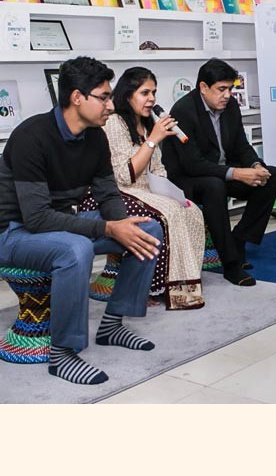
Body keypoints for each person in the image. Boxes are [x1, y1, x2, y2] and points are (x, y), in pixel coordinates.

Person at [0, 57, 162, 385]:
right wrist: (107, 228)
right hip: (13, 232)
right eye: (103, 97)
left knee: (149, 228)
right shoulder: (31, 137)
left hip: (58, 225)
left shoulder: (95, 136)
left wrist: (123, 226)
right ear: (77, 97)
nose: (111, 105)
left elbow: (107, 195)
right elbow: (37, 218)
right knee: (75, 250)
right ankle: (62, 354)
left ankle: (112, 326)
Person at [162, 58, 276, 288]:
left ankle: (239, 240)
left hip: (221, 173)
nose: (227, 95)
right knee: (213, 186)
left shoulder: (230, 106)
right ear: (203, 88)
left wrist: (256, 165)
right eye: (221, 89)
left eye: (230, 89)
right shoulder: (184, 111)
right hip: (187, 179)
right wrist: (236, 173)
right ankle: (231, 264)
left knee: (272, 176)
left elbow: (241, 145)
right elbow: (192, 164)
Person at [102, 67, 205, 309]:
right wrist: (153, 139)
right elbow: (125, 175)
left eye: (154, 93)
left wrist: (172, 193)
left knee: (190, 211)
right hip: (120, 190)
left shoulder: (148, 125)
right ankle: (154, 286)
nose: (151, 99)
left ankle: (182, 284)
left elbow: (158, 170)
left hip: (148, 189)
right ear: (128, 95)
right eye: (144, 92)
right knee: (167, 215)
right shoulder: (115, 122)